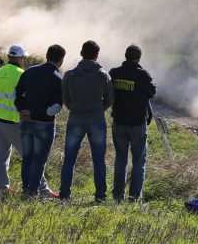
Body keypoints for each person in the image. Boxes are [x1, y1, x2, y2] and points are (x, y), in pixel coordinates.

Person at [0, 44, 56, 196]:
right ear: (19, 58)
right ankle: (43, 189)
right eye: (23, 58)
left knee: (1, 156)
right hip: (15, 123)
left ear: (8, 57)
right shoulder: (23, 74)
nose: (24, 60)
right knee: (31, 157)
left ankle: (3, 188)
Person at [59, 40, 113, 201]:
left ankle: (65, 194)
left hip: (75, 118)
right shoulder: (104, 75)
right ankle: (100, 196)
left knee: (69, 159)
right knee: (99, 160)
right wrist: (97, 109)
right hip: (96, 119)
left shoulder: (69, 74)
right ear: (97, 55)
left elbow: (65, 99)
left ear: (81, 54)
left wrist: (75, 108)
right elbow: (109, 100)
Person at [15, 44, 65, 196]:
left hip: (25, 122)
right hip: (44, 125)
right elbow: (56, 108)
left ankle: (25, 189)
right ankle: (32, 192)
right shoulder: (58, 79)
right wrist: (36, 113)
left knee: (27, 158)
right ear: (61, 60)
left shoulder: (30, 71)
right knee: (39, 161)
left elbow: (16, 93)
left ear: (47, 55)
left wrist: (23, 110)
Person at [109, 44, 156, 202]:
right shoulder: (143, 75)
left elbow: (108, 93)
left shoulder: (114, 73)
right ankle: (134, 197)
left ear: (125, 56)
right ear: (139, 58)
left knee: (120, 159)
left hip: (119, 122)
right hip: (137, 124)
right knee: (138, 161)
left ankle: (117, 196)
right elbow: (153, 92)